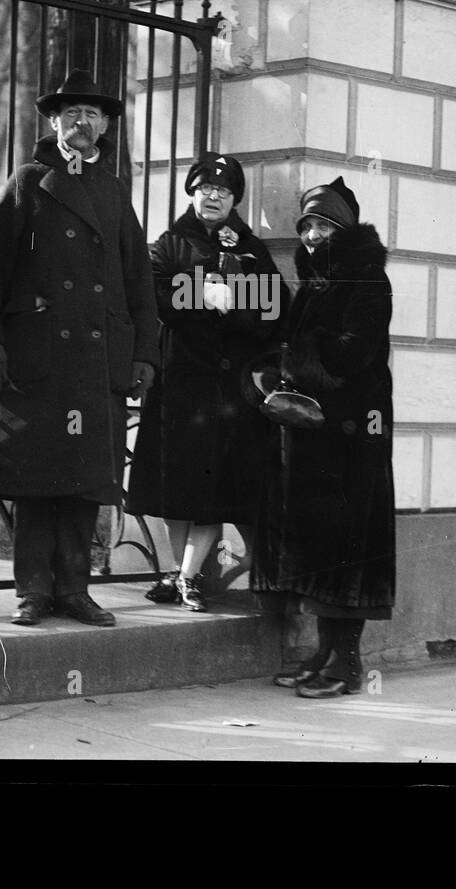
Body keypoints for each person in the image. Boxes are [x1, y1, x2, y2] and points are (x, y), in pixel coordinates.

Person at [0, 69, 158, 628]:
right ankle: (33, 591)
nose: (82, 122)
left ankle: (74, 590)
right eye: (71, 113)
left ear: (105, 128)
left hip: (96, 360)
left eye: (93, 115)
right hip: (37, 356)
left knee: (83, 482)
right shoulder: (29, 181)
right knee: (36, 480)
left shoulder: (115, 191)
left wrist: (145, 352)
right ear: (54, 123)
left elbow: (137, 278)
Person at [247, 176, 395, 697]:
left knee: (347, 547)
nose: (311, 235)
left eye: (323, 225)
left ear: (343, 230)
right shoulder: (315, 282)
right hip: (318, 436)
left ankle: (347, 662)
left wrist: (297, 357)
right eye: (307, 225)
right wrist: (272, 370)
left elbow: (351, 354)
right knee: (323, 547)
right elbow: (295, 344)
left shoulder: (368, 280)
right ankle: (323, 652)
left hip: (354, 436)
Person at [127, 154, 287, 611]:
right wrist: (202, 292)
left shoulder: (252, 248)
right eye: (204, 189)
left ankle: (186, 578)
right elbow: (152, 292)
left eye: (223, 191)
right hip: (179, 381)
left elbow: (275, 309)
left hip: (230, 393)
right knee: (176, 488)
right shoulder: (171, 241)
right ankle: (184, 576)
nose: (213, 196)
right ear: (192, 193)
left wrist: (233, 302)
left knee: (213, 490)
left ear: (235, 198)